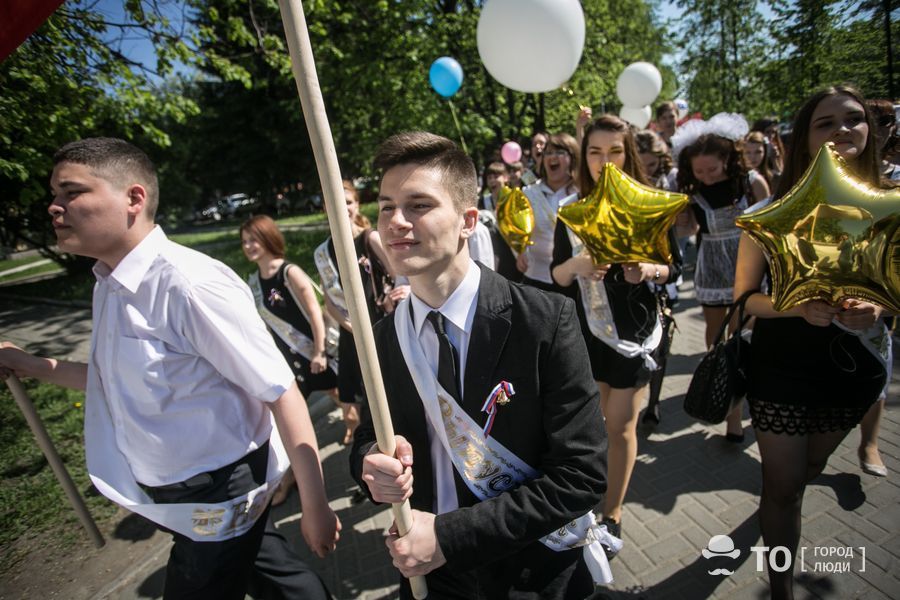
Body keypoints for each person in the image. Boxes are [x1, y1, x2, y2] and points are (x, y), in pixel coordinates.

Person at [0, 138, 338, 599]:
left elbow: (280, 390)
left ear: (133, 199)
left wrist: (316, 502)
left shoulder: (187, 284)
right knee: (277, 578)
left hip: (218, 490)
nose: (53, 208)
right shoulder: (110, 283)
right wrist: (26, 362)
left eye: (70, 192)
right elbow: (109, 380)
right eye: (54, 196)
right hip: (181, 494)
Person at [350, 131, 611, 599]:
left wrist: (451, 537)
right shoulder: (382, 340)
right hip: (430, 578)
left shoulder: (544, 322)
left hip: (529, 572)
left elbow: (581, 476)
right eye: (386, 206)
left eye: (419, 205)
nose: (395, 222)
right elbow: (367, 437)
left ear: (468, 220)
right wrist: (370, 462)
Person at [734, 85, 892, 599]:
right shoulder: (776, 210)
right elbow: (744, 300)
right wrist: (796, 306)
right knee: (781, 488)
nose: (843, 130)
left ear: (871, 130)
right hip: (781, 366)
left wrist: (882, 307)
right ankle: (781, 588)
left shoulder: (890, 205)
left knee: (806, 473)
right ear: (803, 140)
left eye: (854, 119)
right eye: (826, 123)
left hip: (854, 368)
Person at [551, 115, 682, 545]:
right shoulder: (570, 211)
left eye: (615, 151)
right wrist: (578, 265)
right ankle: (588, 496)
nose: (604, 161)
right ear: (582, 156)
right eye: (594, 151)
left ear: (629, 154)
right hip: (584, 335)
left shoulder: (649, 203)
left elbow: (674, 267)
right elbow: (557, 275)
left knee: (622, 424)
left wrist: (648, 269)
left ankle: (613, 511)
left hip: (633, 331)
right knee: (592, 425)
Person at [673, 114, 770, 442]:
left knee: (745, 342)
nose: (705, 177)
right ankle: (731, 414)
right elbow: (687, 231)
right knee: (717, 342)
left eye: (711, 170)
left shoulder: (753, 183)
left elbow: (773, 230)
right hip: (712, 269)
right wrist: (678, 218)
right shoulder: (693, 191)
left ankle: (751, 404)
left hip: (751, 269)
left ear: (728, 159)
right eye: (698, 171)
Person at [241, 214, 339, 505]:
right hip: (286, 365)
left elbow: (314, 312)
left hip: (313, 354)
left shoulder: (290, 272)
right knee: (283, 425)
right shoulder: (253, 283)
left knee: (341, 397)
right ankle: (289, 478)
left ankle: (354, 425)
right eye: (244, 242)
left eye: (253, 239)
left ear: (269, 238)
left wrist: (320, 351)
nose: (248, 246)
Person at [315, 180, 407, 445]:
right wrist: (349, 326)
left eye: (348, 202)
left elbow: (398, 275)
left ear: (356, 205)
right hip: (350, 333)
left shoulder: (369, 239)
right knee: (353, 400)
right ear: (325, 208)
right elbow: (328, 300)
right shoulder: (322, 252)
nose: (342, 208)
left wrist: (395, 298)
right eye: (334, 203)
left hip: (380, 326)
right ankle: (364, 449)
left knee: (388, 394)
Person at [516, 132, 580, 292]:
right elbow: (517, 227)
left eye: (560, 152)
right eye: (549, 153)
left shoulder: (581, 194)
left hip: (575, 280)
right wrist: (519, 250)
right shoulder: (528, 193)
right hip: (536, 279)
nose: (552, 157)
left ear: (572, 158)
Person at [750, 116, 786, 190]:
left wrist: (775, 160)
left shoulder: (776, 149)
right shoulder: (751, 148)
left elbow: (782, 180)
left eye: (773, 132)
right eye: (767, 132)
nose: (771, 136)